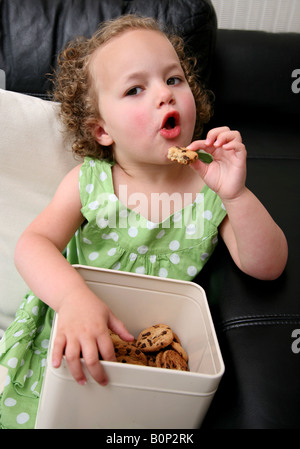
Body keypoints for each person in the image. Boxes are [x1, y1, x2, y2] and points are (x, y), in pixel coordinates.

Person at [0, 15, 288, 428]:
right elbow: (33, 244)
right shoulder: (90, 181)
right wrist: (72, 300)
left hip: (150, 360)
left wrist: (236, 194)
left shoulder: (211, 189)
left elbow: (267, 266)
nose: (164, 97)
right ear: (101, 130)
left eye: (173, 80)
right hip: (70, 330)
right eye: (136, 89)